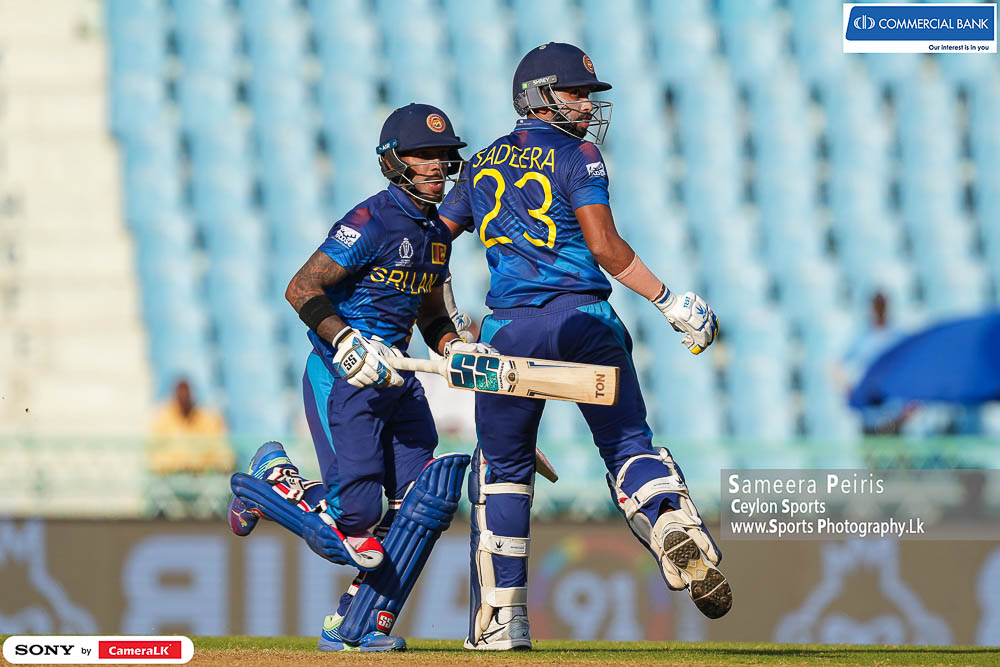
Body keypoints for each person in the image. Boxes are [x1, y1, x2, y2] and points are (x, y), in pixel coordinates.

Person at [438, 43, 730, 650]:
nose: (588, 106)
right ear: (540, 95)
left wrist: (447, 323)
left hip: (508, 330)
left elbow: (431, 245)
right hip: (584, 319)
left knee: (503, 471)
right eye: (576, 93)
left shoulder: (478, 163)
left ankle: (503, 621)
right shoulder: (579, 154)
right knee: (626, 444)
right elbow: (603, 246)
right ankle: (669, 522)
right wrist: (670, 301)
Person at [226, 103, 483, 652]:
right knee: (356, 522)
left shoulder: (438, 235)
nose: (437, 165)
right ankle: (270, 483)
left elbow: (432, 316)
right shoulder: (370, 220)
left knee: (423, 502)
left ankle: (355, 622)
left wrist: (457, 348)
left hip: (397, 380)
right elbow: (302, 287)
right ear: (393, 161)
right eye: (423, 154)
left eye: (443, 155)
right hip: (343, 378)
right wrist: (346, 341)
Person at [150, 378, 231, 474]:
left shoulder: (206, 419)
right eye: (181, 394)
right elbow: (154, 454)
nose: (184, 397)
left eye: (186, 394)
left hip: (200, 476)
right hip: (170, 476)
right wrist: (174, 465)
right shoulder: (163, 419)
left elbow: (221, 452)